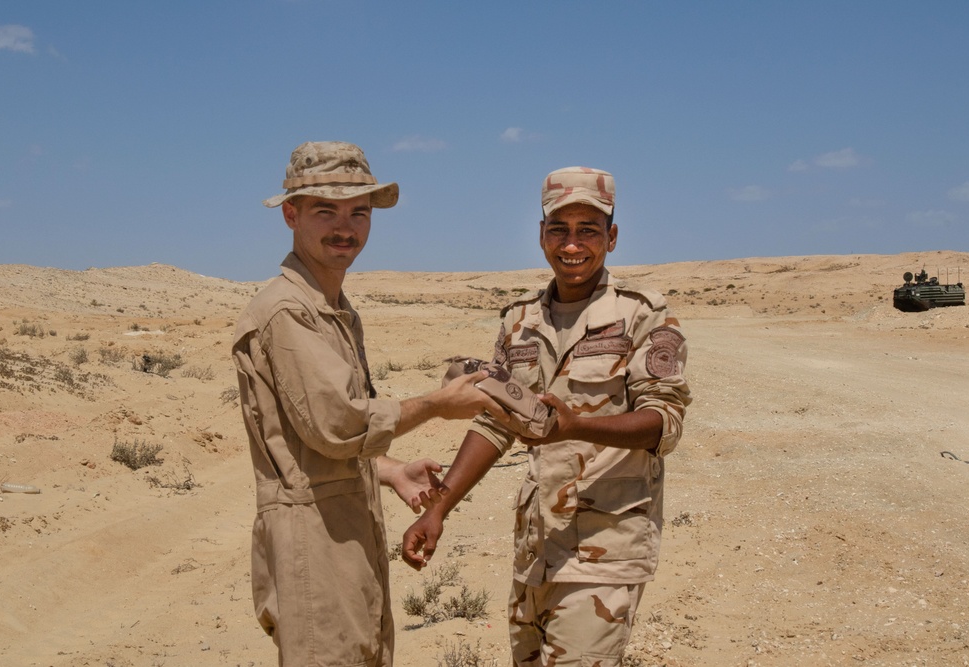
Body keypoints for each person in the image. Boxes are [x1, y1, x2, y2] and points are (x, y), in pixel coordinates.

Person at [232, 141, 510, 667]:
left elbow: (308, 437)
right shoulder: (289, 312)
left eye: (358, 212)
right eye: (325, 211)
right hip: (314, 537)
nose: (346, 227)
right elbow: (337, 427)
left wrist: (388, 471)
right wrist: (437, 404)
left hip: (344, 526)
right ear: (290, 214)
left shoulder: (332, 309)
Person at [402, 166, 692, 666]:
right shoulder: (519, 321)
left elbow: (663, 423)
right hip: (535, 550)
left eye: (588, 230)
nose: (572, 244)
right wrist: (437, 509)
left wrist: (576, 425)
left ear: (612, 238)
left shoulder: (644, 315)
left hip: (605, 550)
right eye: (559, 229)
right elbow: (494, 423)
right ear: (541, 236)